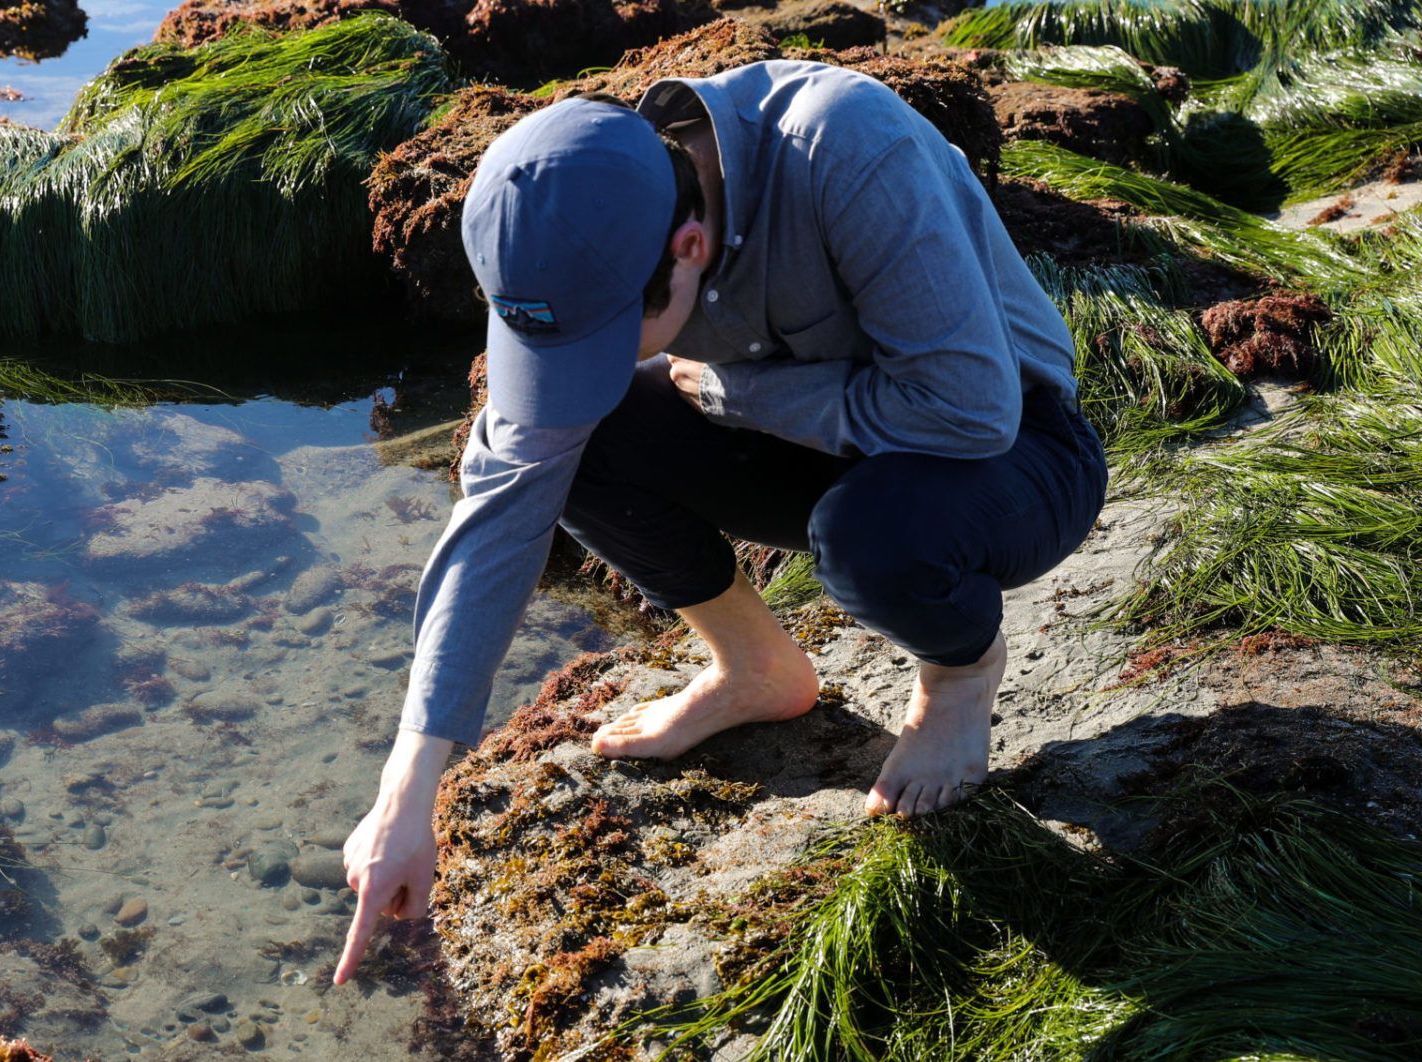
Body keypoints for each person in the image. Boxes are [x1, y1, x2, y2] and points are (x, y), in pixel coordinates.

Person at [332, 60, 1108, 985]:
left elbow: (971, 408)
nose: (585, 364)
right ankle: (757, 669)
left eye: (606, 336)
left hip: (1009, 454)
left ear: (690, 246)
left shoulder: (842, 146)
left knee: (869, 538)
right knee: (584, 444)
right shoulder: (578, 216)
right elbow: (498, 510)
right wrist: (404, 792)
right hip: (826, 439)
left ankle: (959, 675)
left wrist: (744, 392)